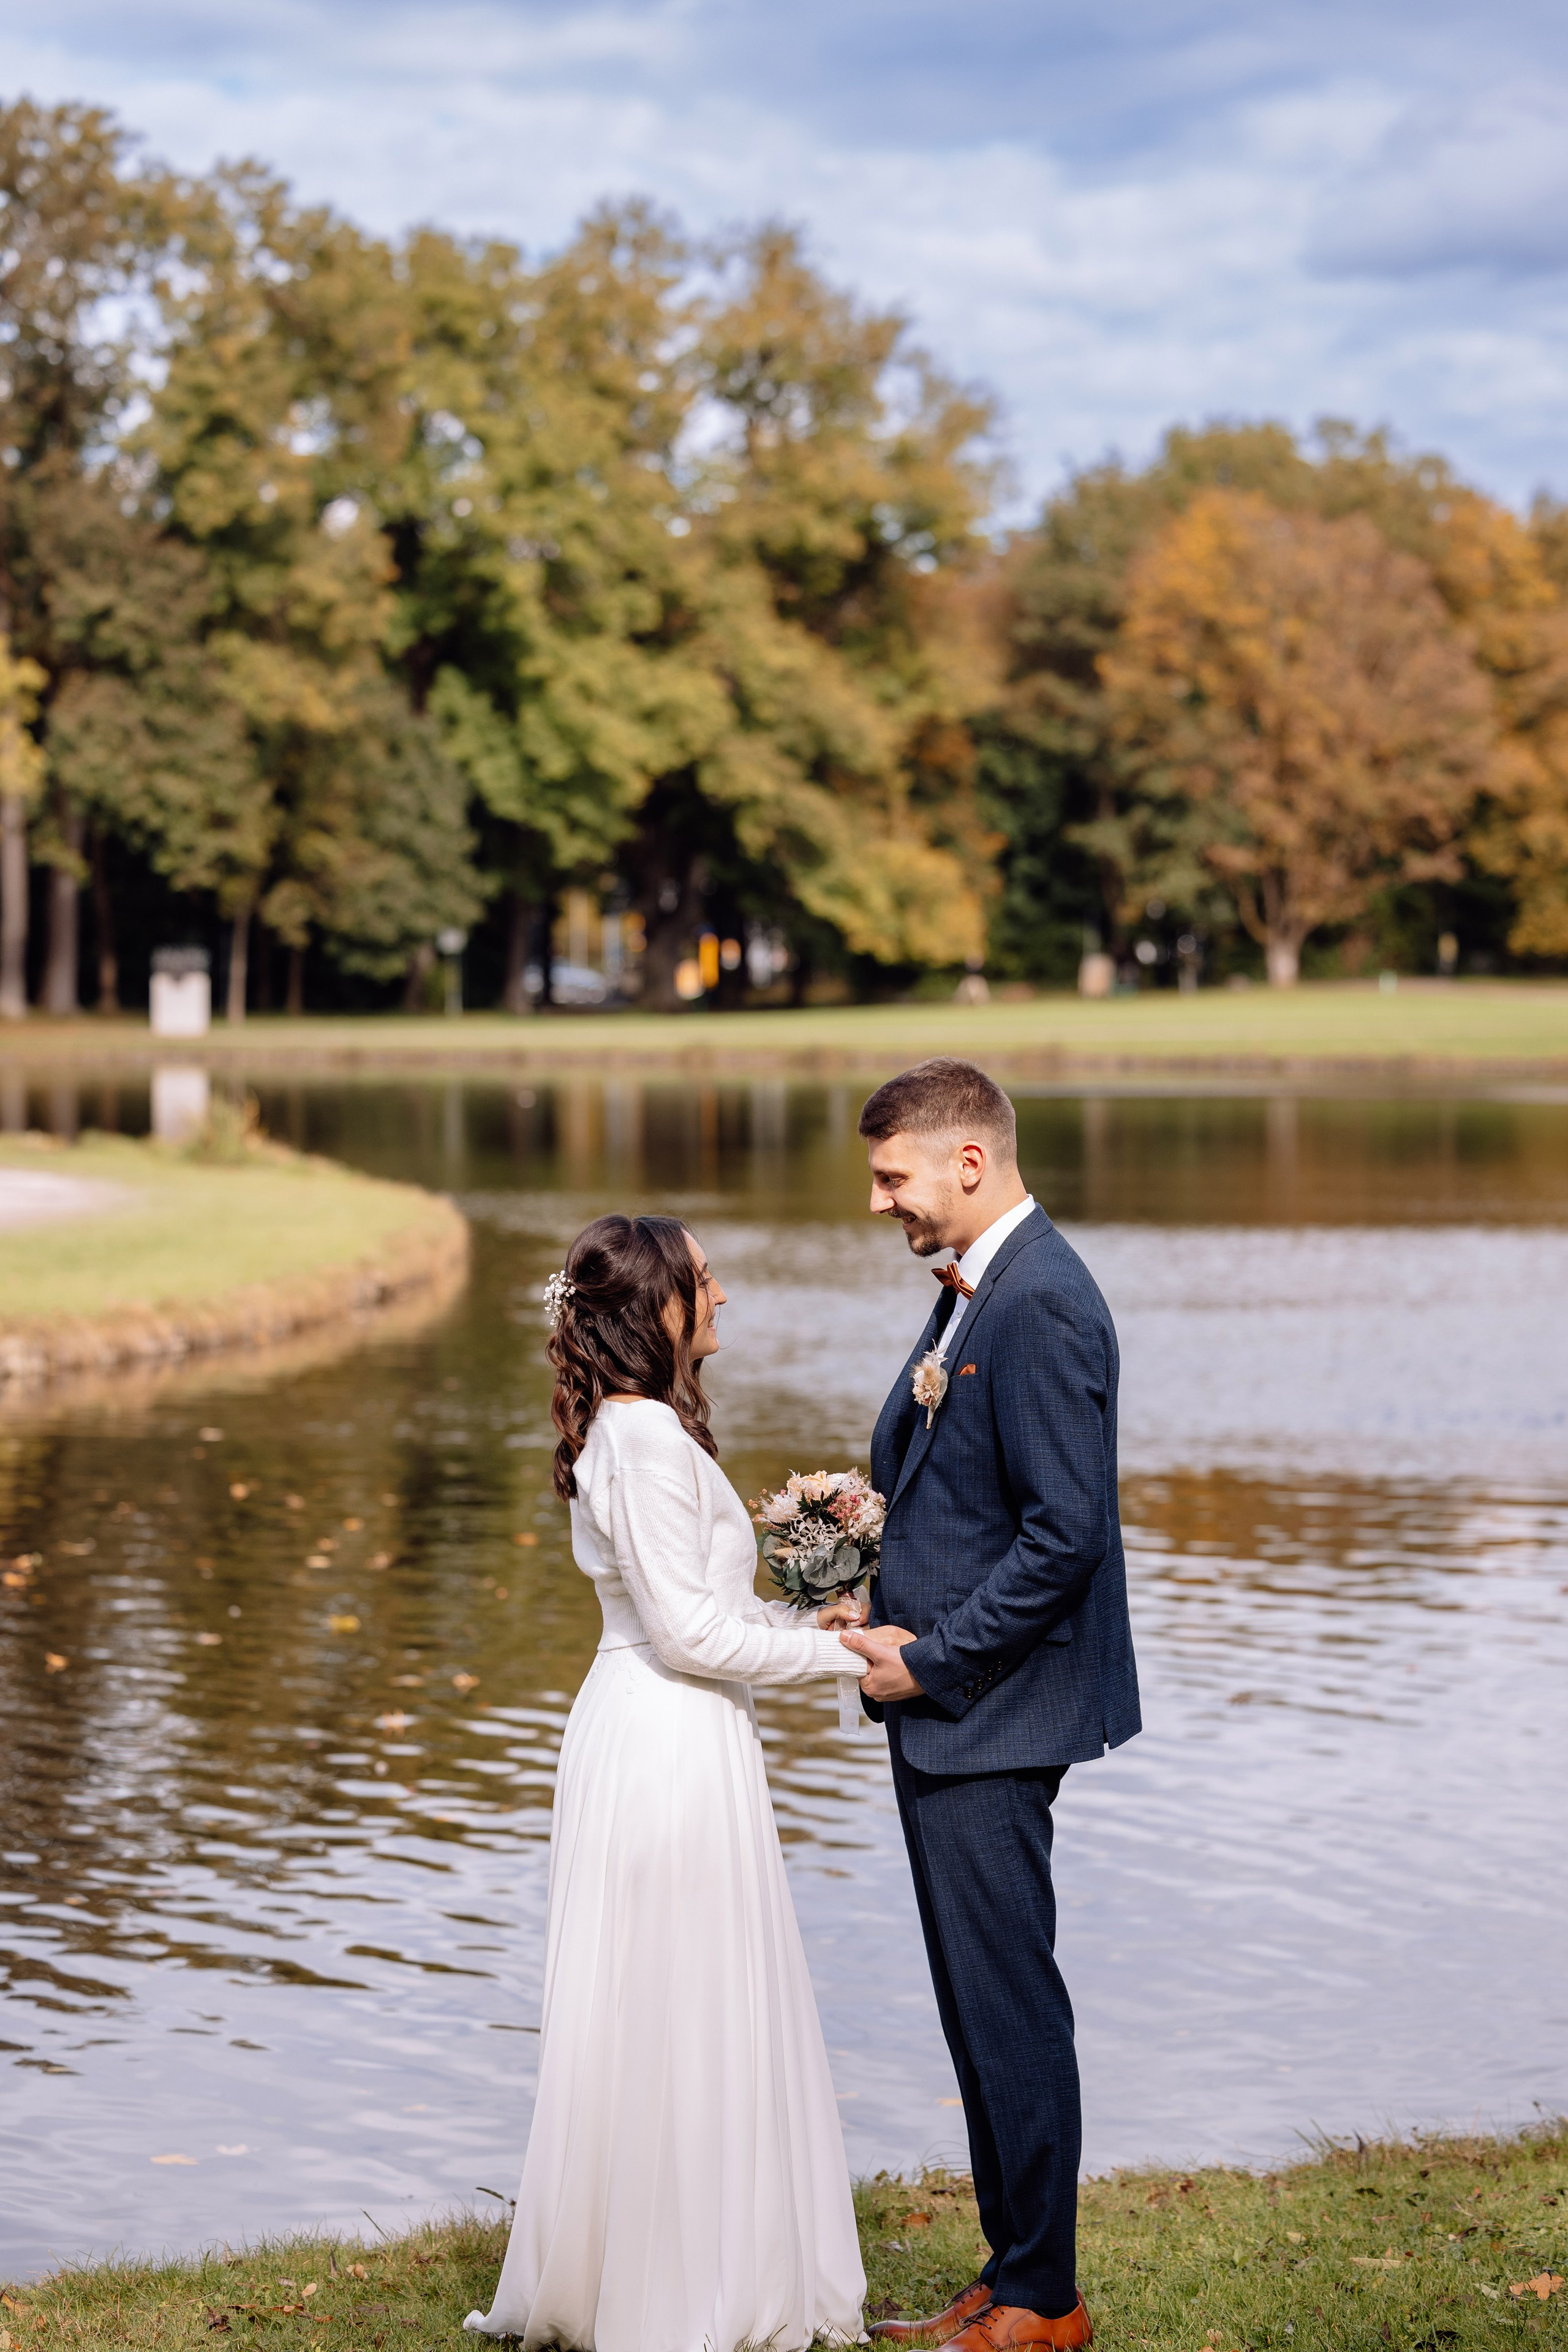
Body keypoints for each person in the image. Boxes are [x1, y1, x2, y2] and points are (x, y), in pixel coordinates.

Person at [464, 1212, 869, 2352]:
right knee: (674, 2005)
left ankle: (699, 2261)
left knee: (693, 1997)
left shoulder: (645, 1432)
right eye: (706, 1278)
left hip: (687, 1734)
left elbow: (709, 1611)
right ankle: (671, 2289)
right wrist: (844, 1654)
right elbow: (689, 1636)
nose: (725, 1294)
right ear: (660, 1307)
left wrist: (811, 1610)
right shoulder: (639, 1444)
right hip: (661, 1741)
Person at [841, 1059, 1140, 2352]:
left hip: (990, 1713)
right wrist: (864, 1583)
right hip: (950, 1710)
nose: (878, 1203)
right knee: (975, 2000)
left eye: (890, 1176)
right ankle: (1011, 2266)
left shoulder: (1041, 1304)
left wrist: (933, 1660)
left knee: (1007, 1999)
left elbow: (1064, 1535)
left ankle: (1044, 2300)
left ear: (968, 1160)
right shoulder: (974, 1291)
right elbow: (947, 1492)